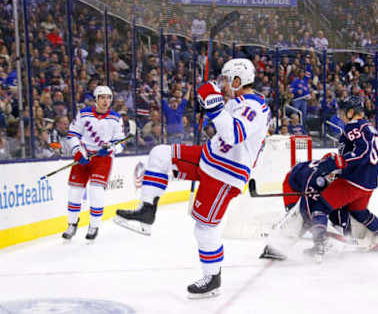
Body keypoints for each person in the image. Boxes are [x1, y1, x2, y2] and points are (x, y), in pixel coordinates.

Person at [114, 59, 269, 299]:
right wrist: (207, 108)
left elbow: (234, 135)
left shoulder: (254, 107)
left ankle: (212, 277)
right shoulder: (236, 103)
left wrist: (215, 105)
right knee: (160, 154)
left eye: (227, 80)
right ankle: (147, 210)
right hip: (209, 157)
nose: (224, 85)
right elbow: (216, 130)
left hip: (226, 173)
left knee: (204, 228)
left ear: (238, 81)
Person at [302, 96, 378, 261]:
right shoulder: (370, 128)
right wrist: (340, 167)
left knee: (320, 207)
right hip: (368, 184)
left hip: (354, 182)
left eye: (342, 111)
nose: (340, 114)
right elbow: (364, 154)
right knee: (360, 213)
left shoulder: (354, 126)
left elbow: (363, 151)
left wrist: (339, 162)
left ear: (351, 112)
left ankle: (319, 247)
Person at [62, 85, 126, 241]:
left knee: (96, 191)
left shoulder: (116, 118)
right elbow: (72, 134)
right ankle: (72, 224)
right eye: (102, 97)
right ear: (96, 99)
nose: (105, 101)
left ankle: (94, 225)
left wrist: (111, 148)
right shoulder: (83, 114)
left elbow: (121, 144)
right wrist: (77, 151)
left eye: (108, 97)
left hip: (102, 158)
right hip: (83, 155)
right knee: (74, 191)